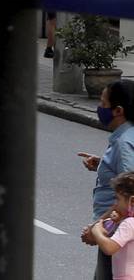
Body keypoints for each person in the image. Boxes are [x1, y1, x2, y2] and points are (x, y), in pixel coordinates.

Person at [80, 79, 134, 280]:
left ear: (118, 111)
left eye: (103, 103)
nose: (99, 108)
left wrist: (98, 227)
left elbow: (129, 193)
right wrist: (103, 164)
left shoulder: (123, 143)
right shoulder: (127, 135)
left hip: (118, 232)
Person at [91, 172, 134, 279]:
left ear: (132, 201)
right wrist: (116, 221)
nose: (115, 204)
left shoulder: (129, 224)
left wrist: (97, 231)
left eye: (118, 199)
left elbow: (109, 248)